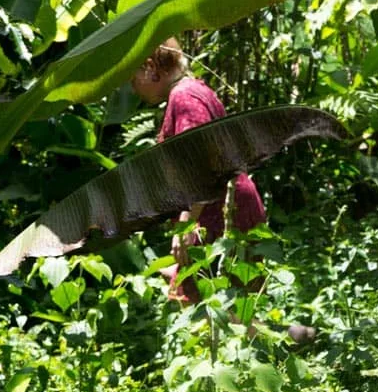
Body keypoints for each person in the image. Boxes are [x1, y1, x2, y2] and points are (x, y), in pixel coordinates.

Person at [130, 38, 314, 342]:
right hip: (225, 205)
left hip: (221, 212)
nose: (132, 87)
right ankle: (290, 339)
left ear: (151, 69)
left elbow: (204, 163)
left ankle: (286, 342)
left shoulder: (184, 97)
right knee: (231, 307)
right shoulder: (194, 91)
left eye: (132, 77)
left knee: (217, 312)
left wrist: (187, 225)